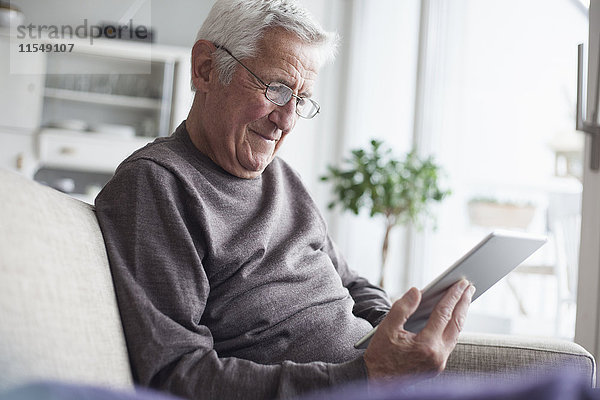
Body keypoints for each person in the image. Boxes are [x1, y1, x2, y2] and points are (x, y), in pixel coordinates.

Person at [94, 0, 474, 399]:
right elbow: (175, 373)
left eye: (302, 99)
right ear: (205, 68)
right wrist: (363, 377)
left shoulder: (280, 177)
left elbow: (351, 283)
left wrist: (391, 331)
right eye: (276, 89)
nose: (288, 120)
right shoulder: (156, 186)